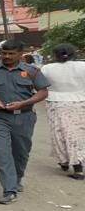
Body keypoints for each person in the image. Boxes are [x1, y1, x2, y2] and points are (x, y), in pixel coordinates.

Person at [0, 40, 50, 205]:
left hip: (24, 117)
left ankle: (17, 179)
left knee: (21, 153)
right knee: (2, 154)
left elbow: (43, 92)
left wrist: (23, 103)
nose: (7, 57)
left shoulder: (32, 71)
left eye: (11, 54)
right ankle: (9, 190)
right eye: (4, 53)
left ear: (20, 54)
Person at [40, 43, 85, 180]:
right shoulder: (83, 66)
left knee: (59, 133)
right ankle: (77, 165)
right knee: (77, 134)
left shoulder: (47, 68)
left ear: (54, 55)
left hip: (56, 102)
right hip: (80, 101)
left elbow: (40, 85)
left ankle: (65, 161)